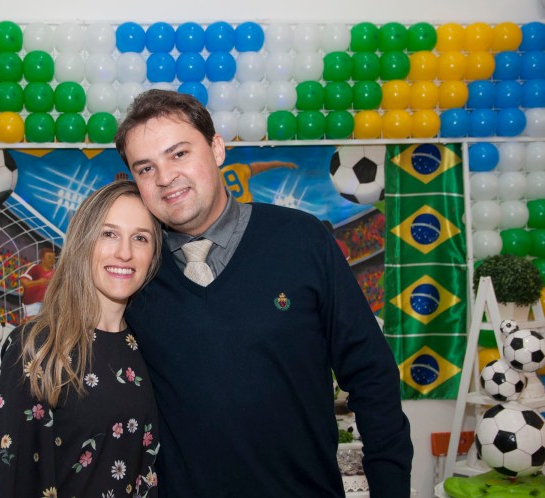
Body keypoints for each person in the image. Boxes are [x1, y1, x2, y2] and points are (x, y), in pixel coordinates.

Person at [115, 89, 413, 497]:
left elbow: (371, 376)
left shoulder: (301, 239)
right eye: (146, 168)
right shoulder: (134, 274)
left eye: (179, 154)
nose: (165, 177)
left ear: (217, 149)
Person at [0, 180, 163, 498]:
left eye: (140, 238)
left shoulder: (151, 346)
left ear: (154, 255)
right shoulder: (38, 346)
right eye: (109, 234)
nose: (125, 252)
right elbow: (5, 477)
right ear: (83, 242)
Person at [20, 246, 56, 318]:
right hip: (32, 304)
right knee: (32, 322)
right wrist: (39, 282)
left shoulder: (55, 273)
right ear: (42, 258)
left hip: (47, 306)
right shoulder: (34, 268)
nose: (52, 260)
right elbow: (24, 283)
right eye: (49, 257)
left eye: (53, 258)